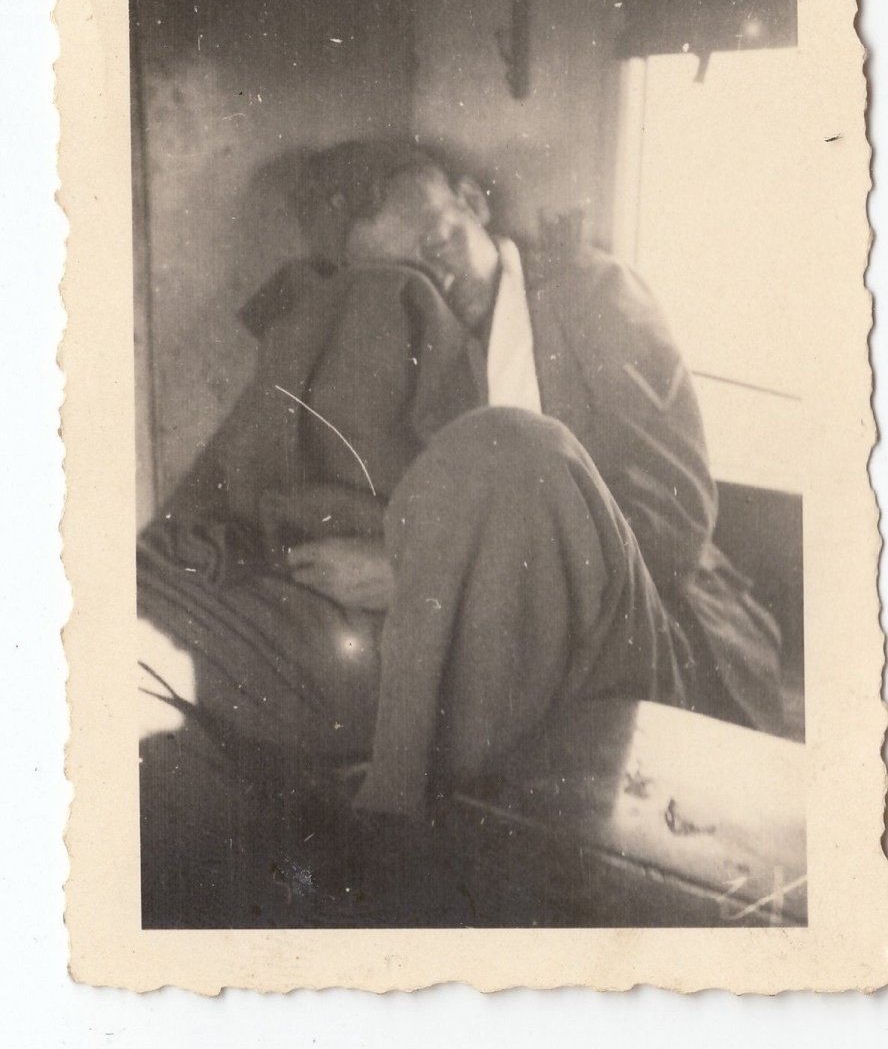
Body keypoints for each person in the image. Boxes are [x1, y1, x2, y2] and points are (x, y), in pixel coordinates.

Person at [137, 139, 783, 874]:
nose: (436, 278)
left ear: (475, 205)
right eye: (408, 272)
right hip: (481, 622)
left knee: (513, 446)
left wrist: (424, 570)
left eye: (439, 244)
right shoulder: (416, 341)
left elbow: (675, 517)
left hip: (640, 618)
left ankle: (402, 845)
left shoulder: (595, 295)